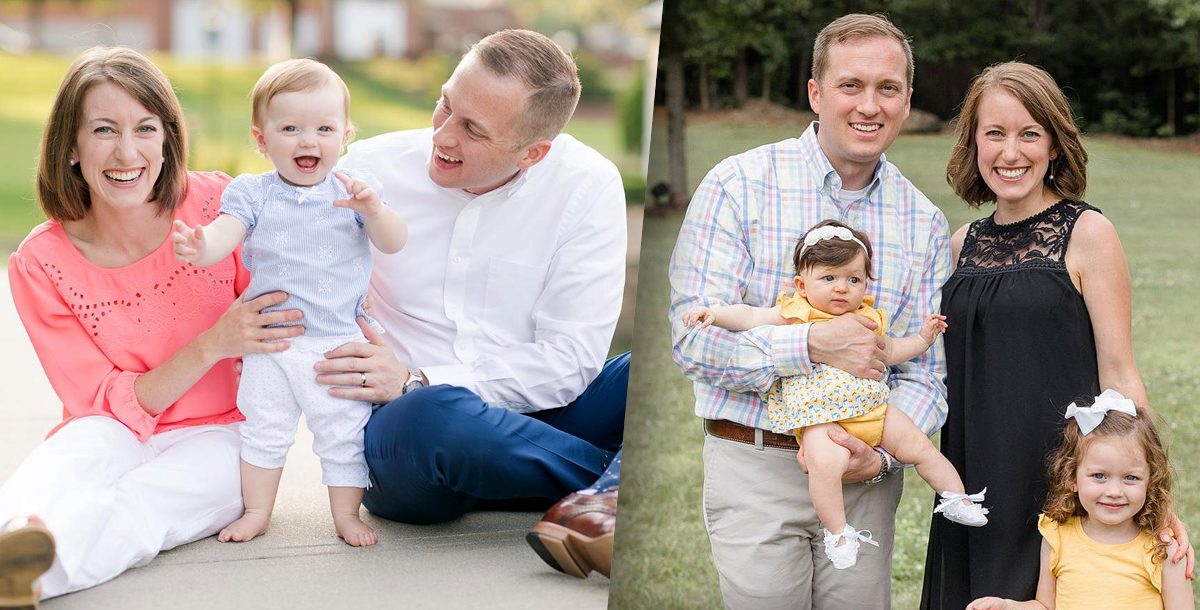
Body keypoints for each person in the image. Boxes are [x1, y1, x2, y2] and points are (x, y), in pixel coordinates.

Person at [315, 29, 628, 577]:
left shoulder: (586, 186)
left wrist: (422, 376)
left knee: (651, 366)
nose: (442, 133)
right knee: (428, 418)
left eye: (472, 130)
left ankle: (591, 493)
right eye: (445, 104)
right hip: (411, 433)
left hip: (544, 415)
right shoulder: (371, 171)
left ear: (533, 153)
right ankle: (613, 489)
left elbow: (569, 361)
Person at [669, 13, 950, 607]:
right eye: (851, 85)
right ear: (816, 93)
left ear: (906, 100)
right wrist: (808, 345)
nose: (869, 105)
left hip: (866, 476)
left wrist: (873, 454)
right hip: (756, 465)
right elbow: (691, 339)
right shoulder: (737, 185)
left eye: (888, 88)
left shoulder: (922, 221)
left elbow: (926, 373)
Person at [0, 46, 301, 599]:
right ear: (70, 146)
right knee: (64, 464)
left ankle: (30, 578)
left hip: (229, 431)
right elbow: (103, 401)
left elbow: (302, 297)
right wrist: (213, 344)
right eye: (104, 130)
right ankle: (13, 541)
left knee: (144, 504)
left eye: (144, 128)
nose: (127, 151)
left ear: (167, 137)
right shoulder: (41, 262)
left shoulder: (221, 209)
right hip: (112, 423)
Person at [920, 61, 1192, 608]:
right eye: (994, 133)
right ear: (973, 144)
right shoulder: (958, 245)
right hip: (974, 474)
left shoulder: (1088, 233)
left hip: (1064, 476)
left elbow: (1118, 369)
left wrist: (1155, 496)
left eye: (1029, 134)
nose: (1011, 152)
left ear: (1055, 146)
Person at [172, 58, 408, 547]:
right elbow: (226, 232)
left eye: (324, 128)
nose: (308, 141)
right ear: (262, 139)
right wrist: (203, 246)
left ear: (345, 135)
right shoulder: (253, 194)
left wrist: (376, 211)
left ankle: (346, 515)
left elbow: (394, 242)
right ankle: (258, 510)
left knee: (342, 433)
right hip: (272, 343)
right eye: (291, 128)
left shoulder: (356, 193)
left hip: (335, 344)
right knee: (264, 428)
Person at [683, 219, 984, 570]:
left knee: (918, 445)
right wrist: (714, 313)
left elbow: (892, 352)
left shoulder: (868, 318)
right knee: (825, 466)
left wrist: (924, 338)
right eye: (829, 278)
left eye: (853, 279)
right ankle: (839, 532)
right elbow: (749, 315)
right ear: (802, 283)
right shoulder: (795, 312)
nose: (842, 288)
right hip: (821, 421)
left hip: (873, 411)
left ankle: (956, 497)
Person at [968, 391, 1193, 610]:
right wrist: (1009, 606)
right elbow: (1045, 606)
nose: (1114, 491)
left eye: (1130, 478)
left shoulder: (1163, 550)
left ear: (1150, 481)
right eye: (1099, 476)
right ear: (1072, 478)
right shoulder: (1057, 536)